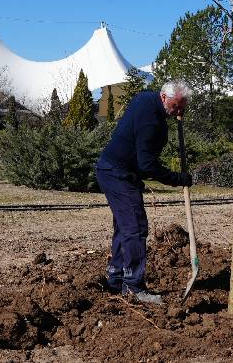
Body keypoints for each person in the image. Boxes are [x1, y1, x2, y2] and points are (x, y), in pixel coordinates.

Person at [94, 80, 193, 305]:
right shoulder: (151, 121)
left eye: (182, 107)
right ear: (164, 97)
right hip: (117, 173)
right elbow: (147, 165)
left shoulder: (146, 99)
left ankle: (116, 278)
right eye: (176, 106)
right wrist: (177, 179)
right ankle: (133, 286)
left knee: (124, 227)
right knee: (135, 227)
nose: (179, 112)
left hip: (115, 170)